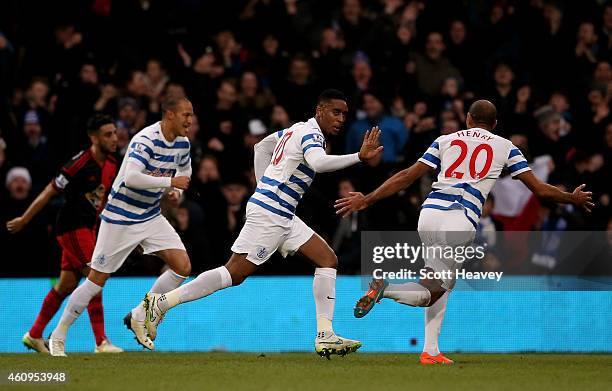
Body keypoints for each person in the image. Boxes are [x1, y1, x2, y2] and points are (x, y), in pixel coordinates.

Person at [335, 100, 594, 364]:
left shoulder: (444, 140)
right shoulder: (506, 146)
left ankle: (430, 351)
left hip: (430, 214)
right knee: (434, 289)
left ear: (468, 119)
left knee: (436, 281)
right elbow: (539, 189)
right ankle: (386, 289)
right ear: (494, 124)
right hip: (460, 219)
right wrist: (571, 198)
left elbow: (408, 175)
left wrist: (367, 199)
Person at [142, 89, 383, 358]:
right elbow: (319, 163)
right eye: (335, 112)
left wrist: (263, 184)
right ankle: (161, 303)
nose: (340, 119)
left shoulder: (294, 130)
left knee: (327, 259)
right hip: (271, 214)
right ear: (319, 111)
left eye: (344, 114)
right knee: (234, 273)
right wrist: (358, 157)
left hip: (282, 213)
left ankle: (325, 335)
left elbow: (261, 147)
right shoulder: (312, 135)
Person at [47, 97, 195, 356]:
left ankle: (140, 314)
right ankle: (58, 336)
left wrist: (175, 192)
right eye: (185, 115)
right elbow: (131, 177)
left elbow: (186, 172)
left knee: (183, 266)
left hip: (149, 216)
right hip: (120, 217)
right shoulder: (145, 140)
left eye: (191, 115)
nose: (190, 120)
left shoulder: (183, 144)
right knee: (95, 282)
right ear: (169, 115)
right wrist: (169, 182)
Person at [6, 114, 122, 353]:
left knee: (67, 285)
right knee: (96, 277)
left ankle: (34, 334)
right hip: (71, 226)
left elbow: (106, 200)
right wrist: (25, 219)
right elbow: (49, 191)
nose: (114, 138)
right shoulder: (79, 162)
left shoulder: (112, 164)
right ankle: (101, 342)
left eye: (114, 133)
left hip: (89, 228)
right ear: (93, 138)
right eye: (108, 134)